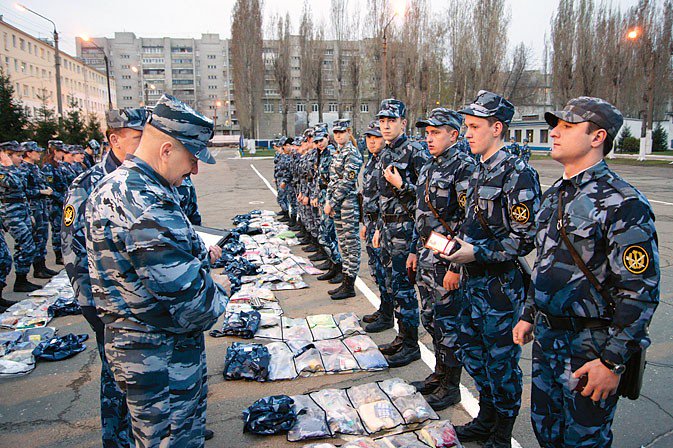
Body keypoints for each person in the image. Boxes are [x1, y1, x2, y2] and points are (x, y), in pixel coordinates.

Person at [513, 97, 660, 447]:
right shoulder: (555, 196)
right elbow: (546, 265)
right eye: (555, 126)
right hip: (549, 340)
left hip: (590, 348)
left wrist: (612, 362)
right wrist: (530, 314)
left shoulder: (623, 202)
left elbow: (640, 291)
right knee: (546, 430)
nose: (555, 133)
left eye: (567, 126)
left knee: (584, 439)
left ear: (597, 137)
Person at [85, 94, 230, 447]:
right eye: (192, 157)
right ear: (166, 149)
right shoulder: (148, 204)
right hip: (160, 358)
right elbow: (197, 306)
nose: (195, 170)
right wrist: (220, 285)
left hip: (139, 351)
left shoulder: (113, 186)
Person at [443, 91, 540, 447]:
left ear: (497, 128)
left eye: (474, 126)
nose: (467, 133)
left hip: (500, 288)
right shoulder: (479, 169)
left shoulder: (518, 174)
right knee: (474, 354)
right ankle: (486, 417)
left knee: (501, 363)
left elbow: (525, 238)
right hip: (471, 282)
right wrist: (456, 253)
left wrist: (477, 253)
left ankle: (502, 432)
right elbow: (471, 223)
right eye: (466, 126)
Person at [62, 107, 147, 448]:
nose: (144, 146)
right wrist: (94, 310)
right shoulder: (88, 185)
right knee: (118, 380)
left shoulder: (147, 179)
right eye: (137, 138)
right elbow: (73, 253)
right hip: (110, 307)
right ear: (114, 139)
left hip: (146, 302)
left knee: (153, 376)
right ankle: (117, 439)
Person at [409, 108, 476, 411]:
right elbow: (420, 213)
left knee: (449, 325)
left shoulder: (463, 167)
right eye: (427, 133)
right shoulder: (428, 165)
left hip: (447, 261)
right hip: (426, 255)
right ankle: (439, 374)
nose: (429, 138)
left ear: (454, 134)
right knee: (431, 319)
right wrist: (414, 249)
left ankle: (451, 386)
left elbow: (468, 222)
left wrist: (455, 267)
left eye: (436, 132)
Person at [372, 98, 430, 367]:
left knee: (406, 290)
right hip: (388, 230)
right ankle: (402, 337)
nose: (385, 126)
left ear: (403, 123)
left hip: (407, 232)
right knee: (395, 286)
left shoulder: (416, 152)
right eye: (382, 121)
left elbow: (427, 199)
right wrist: (378, 228)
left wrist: (402, 184)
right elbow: (381, 198)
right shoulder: (384, 153)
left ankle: (411, 345)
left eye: (391, 120)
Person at [360, 121, 395, 332]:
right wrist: (365, 223)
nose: (372, 141)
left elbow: (388, 199)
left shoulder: (386, 161)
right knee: (376, 270)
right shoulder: (371, 162)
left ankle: (389, 314)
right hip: (371, 222)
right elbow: (367, 196)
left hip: (383, 225)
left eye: (376, 137)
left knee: (386, 270)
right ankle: (384, 308)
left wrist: (380, 228)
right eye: (369, 138)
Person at [325, 119, 363, 300]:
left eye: (342, 132)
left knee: (351, 244)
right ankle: (345, 281)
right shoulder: (338, 152)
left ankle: (350, 284)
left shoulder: (352, 153)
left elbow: (347, 182)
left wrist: (331, 202)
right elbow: (332, 181)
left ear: (349, 132)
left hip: (348, 204)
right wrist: (329, 201)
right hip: (338, 204)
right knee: (343, 245)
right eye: (336, 132)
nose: (338, 135)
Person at [0, 141, 41, 293]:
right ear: (7, 156)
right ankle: (20, 281)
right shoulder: (4, 170)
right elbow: (15, 183)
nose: (21, 158)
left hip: (21, 210)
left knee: (26, 246)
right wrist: (8, 165)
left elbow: (23, 193)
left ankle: (22, 280)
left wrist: (29, 214)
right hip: (10, 212)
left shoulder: (14, 169)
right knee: (25, 245)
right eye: (17, 156)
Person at [20, 141, 57, 279]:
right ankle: (37, 269)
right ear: (28, 153)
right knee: (36, 238)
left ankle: (41, 266)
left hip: (41, 206)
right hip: (33, 206)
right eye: (36, 151)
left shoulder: (34, 167)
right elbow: (24, 191)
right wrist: (41, 191)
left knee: (42, 237)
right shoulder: (24, 168)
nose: (39, 154)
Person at [313, 129, 343, 277]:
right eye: (316, 142)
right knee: (327, 234)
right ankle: (334, 264)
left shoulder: (332, 153)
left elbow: (335, 180)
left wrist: (330, 202)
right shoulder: (322, 153)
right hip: (324, 196)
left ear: (327, 137)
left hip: (330, 198)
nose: (319, 144)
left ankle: (339, 266)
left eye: (321, 140)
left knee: (327, 235)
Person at [43, 140, 68, 265]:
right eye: (61, 151)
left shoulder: (59, 165)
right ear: (55, 151)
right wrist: (61, 198)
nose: (63, 154)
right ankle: (59, 256)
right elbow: (50, 189)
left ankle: (62, 253)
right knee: (57, 229)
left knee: (63, 229)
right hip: (55, 203)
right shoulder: (48, 166)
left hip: (61, 201)